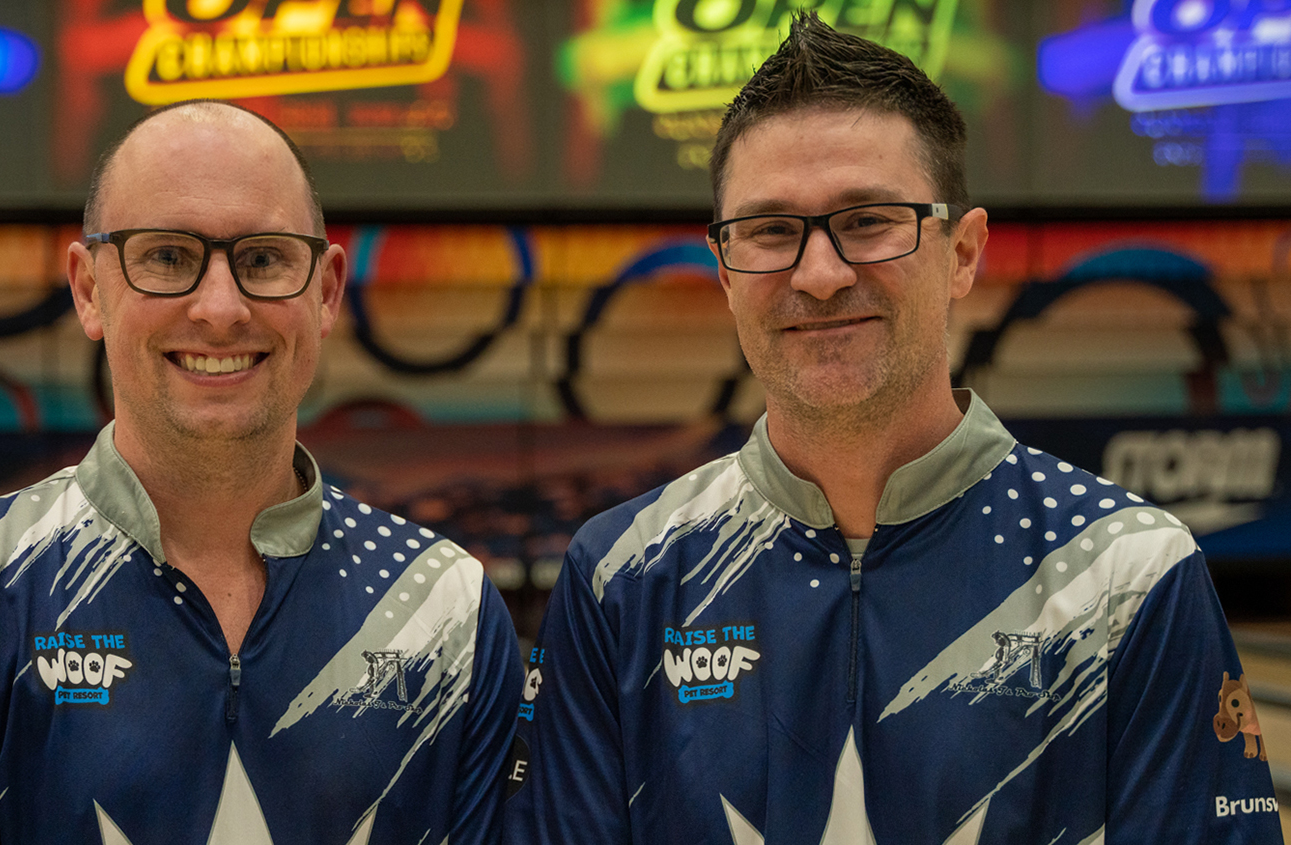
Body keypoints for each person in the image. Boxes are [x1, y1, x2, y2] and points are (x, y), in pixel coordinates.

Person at [503, 14, 1282, 845]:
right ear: (725, 270)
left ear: (963, 251)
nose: (821, 273)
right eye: (770, 231)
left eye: (869, 220)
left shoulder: (1130, 575)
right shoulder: (619, 578)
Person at [0, 100, 522, 844]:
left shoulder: (447, 608)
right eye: (167, 258)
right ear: (88, 289)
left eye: (265, 259)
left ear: (326, 291)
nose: (219, 309)